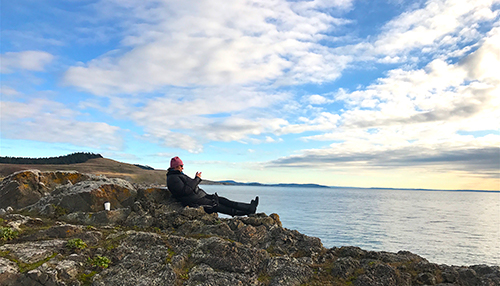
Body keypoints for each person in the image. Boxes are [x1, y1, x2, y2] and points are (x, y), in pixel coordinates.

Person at [166, 156, 259, 216]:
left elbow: (189, 186)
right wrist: (197, 179)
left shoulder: (177, 175)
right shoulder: (173, 178)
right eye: (181, 165)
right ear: (176, 166)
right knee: (221, 207)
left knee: (223, 200)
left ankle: (249, 207)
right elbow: (185, 191)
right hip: (196, 201)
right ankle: (248, 211)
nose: (183, 167)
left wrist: (195, 179)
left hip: (200, 196)